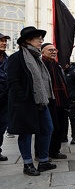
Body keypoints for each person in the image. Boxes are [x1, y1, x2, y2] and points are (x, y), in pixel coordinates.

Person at [7, 26, 57, 175]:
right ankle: (27, 164)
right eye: (38, 38)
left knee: (48, 129)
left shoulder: (37, 58)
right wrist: (22, 98)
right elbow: (13, 81)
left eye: (41, 38)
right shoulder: (17, 57)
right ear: (27, 40)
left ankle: (43, 160)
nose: (41, 40)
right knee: (26, 133)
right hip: (26, 102)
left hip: (41, 101)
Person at [40, 43, 69, 159]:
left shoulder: (57, 65)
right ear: (42, 52)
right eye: (50, 50)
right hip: (48, 100)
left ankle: (55, 151)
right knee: (48, 128)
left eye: (54, 50)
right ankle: (42, 152)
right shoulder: (41, 64)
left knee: (60, 127)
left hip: (60, 100)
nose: (53, 52)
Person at [63, 63, 75, 145]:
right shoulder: (61, 71)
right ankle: (63, 136)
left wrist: (73, 96)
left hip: (72, 100)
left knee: (73, 119)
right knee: (63, 119)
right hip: (63, 100)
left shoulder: (74, 72)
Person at [0, 32, 10, 161]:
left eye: (4, 41)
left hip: (4, 99)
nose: (4, 43)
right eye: (1, 41)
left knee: (2, 125)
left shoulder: (8, 59)